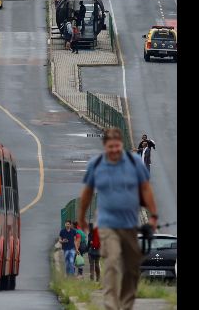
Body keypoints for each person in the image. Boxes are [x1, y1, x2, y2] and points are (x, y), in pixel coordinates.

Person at [78, 127, 158, 310]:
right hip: (107, 224)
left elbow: (146, 188)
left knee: (131, 267)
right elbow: (87, 193)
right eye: (110, 146)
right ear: (105, 146)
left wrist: (153, 217)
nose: (114, 150)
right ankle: (111, 306)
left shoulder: (135, 163)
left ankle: (126, 304)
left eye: (117, 146)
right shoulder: (96, 165)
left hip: (130, 224)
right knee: (112, 262)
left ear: (121, 145)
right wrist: (81, 217)